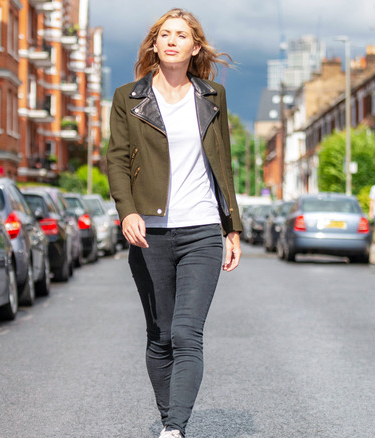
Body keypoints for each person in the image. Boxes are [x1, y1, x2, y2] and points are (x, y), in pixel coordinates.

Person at [106, 8, 242, 438]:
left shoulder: (212, 96)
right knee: (161, 334)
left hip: (202, 228)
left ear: (194, 47)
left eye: (180, 35)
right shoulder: (128, 97)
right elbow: (116, 161)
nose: (171, 41)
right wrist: (127, 210)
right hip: (150, 232)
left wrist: (231, 226)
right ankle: (171, 419)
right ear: (154, 43)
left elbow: (223, 162)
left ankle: (174, 428)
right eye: (164, 34)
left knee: (187, 332)